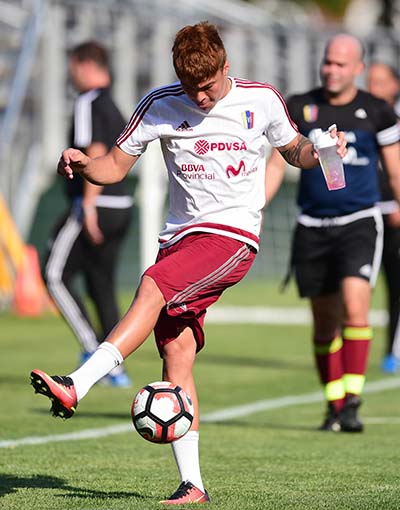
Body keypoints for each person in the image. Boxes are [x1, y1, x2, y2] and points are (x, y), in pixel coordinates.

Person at [30, 22, 346, 505]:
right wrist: (82, 163)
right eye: (191, 87)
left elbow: (294, 150)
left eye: (209, 85)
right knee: (175, 350)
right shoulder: (160, 103)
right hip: (179, 238)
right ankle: (192, 483)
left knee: (152, 285)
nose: (200, 96)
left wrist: (322, 148)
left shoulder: (261, 100)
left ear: (226, 67)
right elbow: (113, 166)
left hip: (232, 236)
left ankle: (78, 383)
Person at [265, 35, 400, 433]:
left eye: (341, 64)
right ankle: (334, 404)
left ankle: (353, 402)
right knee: (324, 322)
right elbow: (276, 165)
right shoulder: (299, 106)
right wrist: (257, 209)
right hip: (311, 225)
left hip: (359, 221)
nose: (331, 69)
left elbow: (395, 170)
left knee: (355, 306)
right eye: (327, 62)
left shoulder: (379, 112)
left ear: (358, 68)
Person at [43, 41, 134, 387]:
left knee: (53, 273)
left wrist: (89, 205)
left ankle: (92, 350)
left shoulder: (89, 102)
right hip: (122, 207)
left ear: (84, 65)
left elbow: (94, 151)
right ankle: (115, 368)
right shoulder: (113, 104)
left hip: (96, 204)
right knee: (102, 286)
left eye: (72, 66)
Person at [367, 62, 400, 373]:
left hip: (394, 219)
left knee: (396, 287)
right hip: (363, 217)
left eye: (380, 82)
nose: (373, 87)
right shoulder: (361, 120)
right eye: (370, 81)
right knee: (356, 286)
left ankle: (393, 349)